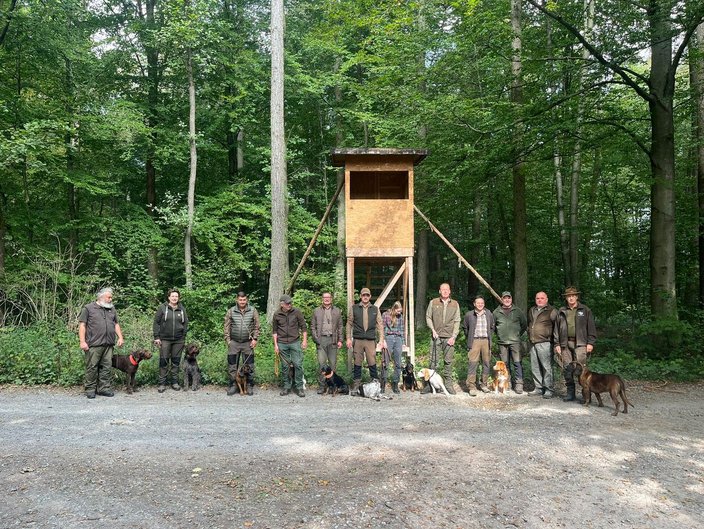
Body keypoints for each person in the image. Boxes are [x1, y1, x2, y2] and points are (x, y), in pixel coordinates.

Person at [78, 287, 124, 399]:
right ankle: (90, 389)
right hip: (93, 344)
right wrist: (82, 341)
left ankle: (104, 388)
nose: (111, 299)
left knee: (106, 367)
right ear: (101, 297)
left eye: (111, 297)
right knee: (92, 367)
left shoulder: (112, 309)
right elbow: (82, 325)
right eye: (109, 297)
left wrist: (120, 337)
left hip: (109, 344)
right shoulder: (88, 308)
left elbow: (116, 324)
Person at [555, 286, 596, 402]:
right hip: (565, 343)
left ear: (577, 297)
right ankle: (570, 393)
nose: (571, 298)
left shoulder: (585, 310)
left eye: (573, 296)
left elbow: (591, 327)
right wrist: (557, 344)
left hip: (581, 344)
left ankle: (586, 394)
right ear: (566, 298)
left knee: (581, 370)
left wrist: (590, 342)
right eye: (569, 296)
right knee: (567, 369)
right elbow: (556, 329)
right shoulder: (561, 311)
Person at [346, 287, 385, 395]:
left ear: (370, 296)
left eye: (367, 295)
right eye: (363, 295)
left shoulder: (375, 309)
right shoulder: (354, 308)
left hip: (370, 340)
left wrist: (381, 339)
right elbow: (349, 323)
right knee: (357, 362)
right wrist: (348, 338)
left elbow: (380, 324)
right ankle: (356, 384)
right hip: (358, 339)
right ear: (360, 296)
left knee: (372, 361)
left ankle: (375, 383)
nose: (365, 297)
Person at [424, 283, 460, 394]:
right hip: (436, 336)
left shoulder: (455, 304)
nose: (445, 291)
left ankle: (448, 385)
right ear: (439, 291)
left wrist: (454, 336)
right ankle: (429, 385)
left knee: (448, 362)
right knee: (433, 361)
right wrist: (432, 330)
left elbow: (457, 321)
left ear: (450, 291)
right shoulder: (433, 302)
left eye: (447, 289)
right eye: (443, 289)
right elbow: (428, 317)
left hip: (449, 337)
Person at [224, 291, 261, 396]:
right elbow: (226, 326)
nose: (242, 302)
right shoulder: (231, 311)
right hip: (234, 342)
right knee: (232, 365)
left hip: (247, 343)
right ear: (237, 300)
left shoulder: (253, 310)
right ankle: (233, 385)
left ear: (247, 300)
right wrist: (228, 340)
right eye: (240, 300)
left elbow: (257, 326)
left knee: (249, 365)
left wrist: (255, 339)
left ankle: (249, 385)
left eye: (244, 300)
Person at [153, 289, 189, 393]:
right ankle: (162, 384)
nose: (174, 298)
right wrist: (156, 337)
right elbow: (156, 323)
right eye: (172, 296)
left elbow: (185, 324)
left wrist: (183, 337)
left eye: (176, 296)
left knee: (175, 362)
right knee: (163, 362)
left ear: (178, 298)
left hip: (178, 340)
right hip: (164, 339)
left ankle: (174, 382)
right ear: (169, 297)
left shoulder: (182, 309)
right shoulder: (162, 308)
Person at [272, 294, 308, 397]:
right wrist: (276, 345)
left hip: (295, 342)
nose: (289, 305)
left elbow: (303, 327)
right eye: (287, 303)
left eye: (290, 303)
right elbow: (274, 331)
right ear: (282, 304)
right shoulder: (276, 314)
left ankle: (299, 387)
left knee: (298, 364)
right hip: (282, 343)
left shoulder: (297, 312)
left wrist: (304, 341)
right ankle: (286, 386)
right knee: (285, 366)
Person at [492, 291, 527, 394]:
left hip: (515, 341)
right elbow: (493, 326)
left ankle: (519, 384)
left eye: (509, 298)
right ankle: (507, 383)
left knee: (517, 363)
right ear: (502, 299)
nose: (507, 300)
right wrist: (500, 335)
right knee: (504, 364)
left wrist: (517, 334)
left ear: (511, 299)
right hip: (502, 342)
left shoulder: (517, 311)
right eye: (505, 298)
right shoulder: (496, 312)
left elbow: (524, 324)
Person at [526, 291, 558, 399]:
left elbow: (557, 327)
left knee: (546, 367)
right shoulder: (532, 310)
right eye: (537, 298)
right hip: (533, 342)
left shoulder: (552, 311)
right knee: (535, 366)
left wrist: (556, 342)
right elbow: (530, 324)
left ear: (546, 299)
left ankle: (549, 389)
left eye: (542, 298)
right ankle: (538, 388)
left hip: (545, 342)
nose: (540, 300)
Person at [311, 292, 343, 395]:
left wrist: (340, 340)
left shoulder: (337, 311)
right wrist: (316, 339)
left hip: (333, 340)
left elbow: (340, 326)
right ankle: (322, 386)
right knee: (322, 364)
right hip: (321, 340)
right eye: (325, 297)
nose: (326, 299)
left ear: (331, 299)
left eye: (328, 297)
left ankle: (332, 386)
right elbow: (312, 326)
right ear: (322, 299)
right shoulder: (316, 311)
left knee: (333, 364)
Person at [462, 295, 495, 396]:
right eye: (478, 303)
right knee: (472, 363)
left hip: (486, 341)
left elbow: (492, 327)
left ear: (484, 304)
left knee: (486, 363)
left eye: (482, 303)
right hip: (474, 341)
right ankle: (471, 386)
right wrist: (470, 337)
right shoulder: (469, 315)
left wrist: (489, 337)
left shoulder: (489, 314)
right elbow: (465, 327)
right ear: (474, 304)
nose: (480, 304)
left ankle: (484, 384)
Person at [382, 301, 405, 394]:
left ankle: (395, 383)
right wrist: (383, 340)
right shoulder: (385, 315)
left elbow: (402, 329)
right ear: (394, 309)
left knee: (398, 363)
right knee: (385, 362)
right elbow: (382, 328)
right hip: (388, 338)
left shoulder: (400, 317)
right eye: (398, 311)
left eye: (400, 311)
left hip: (398, 338)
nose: (399, 313)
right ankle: (383, 383)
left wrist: (403, 342)